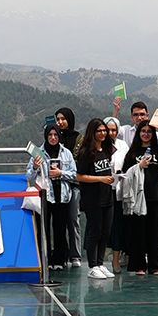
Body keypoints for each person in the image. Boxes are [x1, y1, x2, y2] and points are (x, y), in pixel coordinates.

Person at [29, 123, 77, 274]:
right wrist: (35, 167)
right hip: (44, 196)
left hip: (61, 196)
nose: (53, 137)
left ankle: (59, 260)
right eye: (50, 135)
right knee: (43, 229)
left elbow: (75, 174)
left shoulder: (66, 153)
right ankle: (45, 260)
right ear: (46, 136)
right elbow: (29, 175)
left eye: (55, 135)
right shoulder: (38, 152)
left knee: (60, 229)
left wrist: (60, 173)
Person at [122, 120, 158, 275]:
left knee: (155, 231)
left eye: (149, 131)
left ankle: (155, 266)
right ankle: (139, 265)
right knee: (138, 231)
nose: (146, 134)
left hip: (156, 196)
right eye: (143, 131)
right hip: (137, 197)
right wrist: (139, 166)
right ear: (138, 133)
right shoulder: (132, 152)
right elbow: (126, 173)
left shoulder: (156, 150)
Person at [75, 120, 118, 280]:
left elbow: (105, 170)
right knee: (94, 232)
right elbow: (80, 176)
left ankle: (100, 263)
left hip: (107, 196)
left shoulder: (106, 149)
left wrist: (113, 177)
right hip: (93, 198)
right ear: (92, 132)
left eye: (104, 130)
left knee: (105, 232)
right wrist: (100, 179)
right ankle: (92, 265)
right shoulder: (86, 152)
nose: (103, 133)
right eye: (99, 131)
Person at [54, 108, 83, 266]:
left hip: (73, 185)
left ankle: (75, 255)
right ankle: (61, 254)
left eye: (63, 119)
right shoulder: (54, 137)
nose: (60, 122)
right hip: (55, 186)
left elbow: (78, 161)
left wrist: (62, 171)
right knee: (58, 221)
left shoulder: (78, 138)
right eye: (58, 119)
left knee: (73, 219)